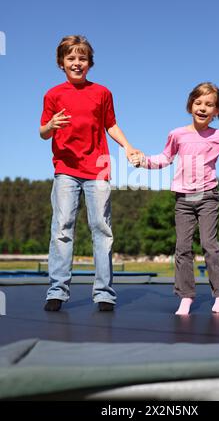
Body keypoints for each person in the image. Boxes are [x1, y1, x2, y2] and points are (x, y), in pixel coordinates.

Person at [131, 82, 219, 315]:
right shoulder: (177, 134)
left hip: (208, 197)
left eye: (209, 104)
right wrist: (143, 161)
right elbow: (165, 158)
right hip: (183, 199)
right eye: (198, 103)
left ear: (216, 111)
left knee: (209, 245)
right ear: (190, 106)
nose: (202, 107)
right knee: (183, 248)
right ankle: (186, 297)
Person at [40, 35, 139, 312]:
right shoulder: (53, 94)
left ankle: (104, 293)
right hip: (66, 170)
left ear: (89, 63)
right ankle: (57, 290)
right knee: (62, 229)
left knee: (102, 229)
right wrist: (51, 124)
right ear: (62, 63)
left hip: (97, 169)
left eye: (82, 58)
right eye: (71, 58)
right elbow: (42, 133)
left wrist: (128, 147)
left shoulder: (102, 93)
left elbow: (112, 125)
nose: (77, 62)